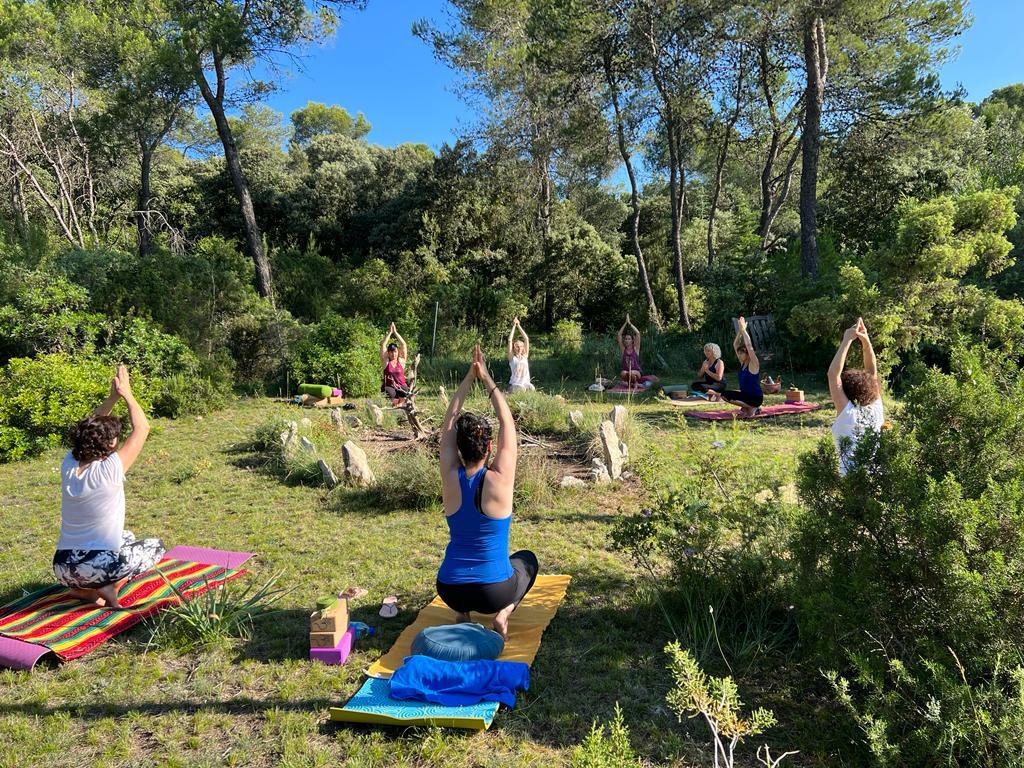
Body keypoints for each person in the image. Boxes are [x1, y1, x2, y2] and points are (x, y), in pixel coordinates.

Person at [437, 345, 539, 640]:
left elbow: (446, 429)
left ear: (458, 448)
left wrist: (468, 380)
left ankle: (461, 614)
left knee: (464, 573)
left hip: (450, 588)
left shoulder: (449, 475)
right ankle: (503, 616)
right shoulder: (500, 479)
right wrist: (487, 379)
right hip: (493, 593)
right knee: (527, 560)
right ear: (490, 447)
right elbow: (507, 423)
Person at [53, 366, 164, 608]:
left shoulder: (69, 464)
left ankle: (85, 591)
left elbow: (87, 429)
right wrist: (127, 394)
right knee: (155, 546)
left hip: (62, 567)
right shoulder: (112, 468)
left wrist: (111, 397)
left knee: (127, 537)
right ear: (112, 442)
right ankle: (110, 586)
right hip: (96, 566)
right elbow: (142, 428)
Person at [828, 317, 884, 476]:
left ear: (845, 391)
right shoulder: (877, 409)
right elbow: (872, 373)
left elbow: (833, 375)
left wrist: (847, 340)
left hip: (851, 479)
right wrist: (866, 342)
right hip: (876, 476)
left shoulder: (847, 414)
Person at [710, 316, 763, 418]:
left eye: (741, 353)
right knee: (724, 395)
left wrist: (744, 331)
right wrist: (740, 331)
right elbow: (735, 344)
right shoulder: (742, 363)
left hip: (755, 397)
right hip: (745, 396)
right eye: (738, 353)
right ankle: (750, 408)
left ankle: (753, 407)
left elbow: (749, 345)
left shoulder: (754, 364)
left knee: (733, 397)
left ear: (747, 354)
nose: (739, 355)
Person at [380, 322, 410, 404]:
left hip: (402, 386)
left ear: (397, 352)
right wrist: (390, 332)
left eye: (395, 352)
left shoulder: (401, 361)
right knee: (393, 400)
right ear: (388, 353)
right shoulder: (386, 362)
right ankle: (396, 404)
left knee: (405, 399)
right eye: (391, 352)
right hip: (390, 387)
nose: (393, 354)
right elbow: (383, 344)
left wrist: (395, 332)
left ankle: (401, 404)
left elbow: (403, 344)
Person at [507, 317, 535, 392]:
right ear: (514, 348)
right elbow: (510, 340)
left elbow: (526, 339)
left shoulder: (525, 356)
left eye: (521, 346)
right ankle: (511, 390)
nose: (519, 348)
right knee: (521, 389)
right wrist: (513, 326)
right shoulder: (512, 358)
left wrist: (518, 325)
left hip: (525, 383)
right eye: (517, 346)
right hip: (515, 384)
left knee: (532, 388)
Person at [617, 314, 643, 386]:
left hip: (636, 373)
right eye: (625, 339)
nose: (627, 340)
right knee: (623, 373)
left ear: (632, 340)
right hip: (626, 373)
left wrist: (630, 323)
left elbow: (638, 333)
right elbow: (619, 334)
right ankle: (633, 384)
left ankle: (632, 383)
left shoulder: (636, 349)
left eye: (629, 339)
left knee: (630, 373)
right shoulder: (623, 350)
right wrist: (625, 323)